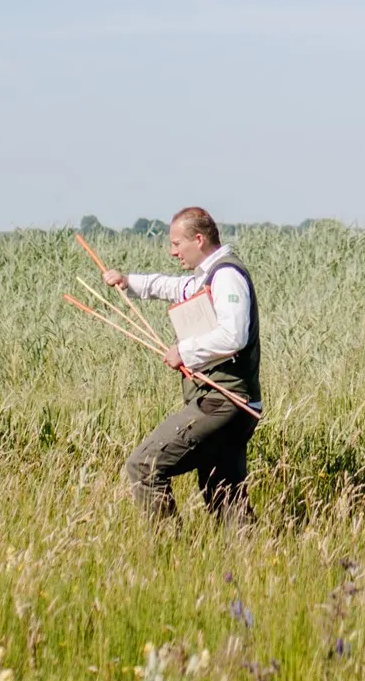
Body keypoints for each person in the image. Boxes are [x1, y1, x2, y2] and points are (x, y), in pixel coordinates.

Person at [101, 206, 261, 527]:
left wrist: (184, 352)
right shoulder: (207, 275)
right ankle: (252, 561)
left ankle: (170, 554)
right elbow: (174, 287)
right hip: (230, 402)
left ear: (198, 239)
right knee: (223, 494)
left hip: (223, 402)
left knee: (144, 465)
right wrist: (128, 281)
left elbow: (234, 336)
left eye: (177, 244)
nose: (172, 251)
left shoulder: (227, 276)